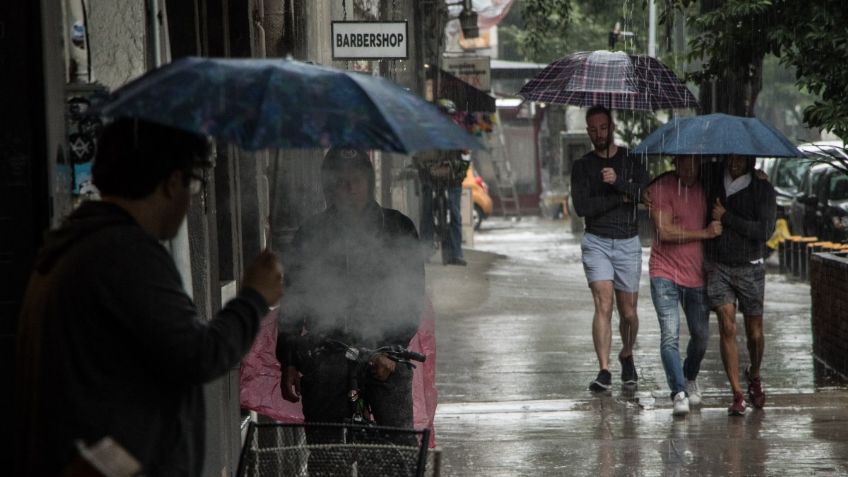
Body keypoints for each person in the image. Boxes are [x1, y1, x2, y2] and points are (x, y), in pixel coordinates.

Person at [14, 118, 284, 476]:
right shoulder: (124, 254)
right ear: (172, 183)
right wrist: (254, 297)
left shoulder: (82, 242)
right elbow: (198, 354)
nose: (191, 200)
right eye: (194, 183)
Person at [276, 148, 425, 429]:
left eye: (356, 179)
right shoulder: (310, 233)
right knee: (326, 451)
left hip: (387, 351)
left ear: (369, 181)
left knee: (396, 451)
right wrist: (289, 361)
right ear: (328, 186)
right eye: (340, 180)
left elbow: (412, 298)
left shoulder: (398, 227)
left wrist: (393, 353)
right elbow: (293, 302)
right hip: (327, 353)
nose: (349, 187)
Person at [571, 105, 649, 392]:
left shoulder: (631, 159)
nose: (598, 134)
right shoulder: (582, 166)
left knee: (628, 312)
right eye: (592, 129)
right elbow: (583, 207)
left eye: (603, 128)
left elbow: (645, 194)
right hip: (597, 241)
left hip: (628, 241)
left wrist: (619, 183)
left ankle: (626, 354)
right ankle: (604, 370)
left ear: (612, 127)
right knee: (604, 303)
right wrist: (619, 200)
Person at [646, 155, 722, 415]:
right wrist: (704, 233)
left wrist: (757, 176)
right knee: (669, 335)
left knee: (701, 337)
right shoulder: (661, 188)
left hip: (696, 275)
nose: (689, 169)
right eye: (684, 163)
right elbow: (664, 232)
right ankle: (678, 391)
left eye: (694, 164)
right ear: (675, 163)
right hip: (664, 272)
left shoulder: (706, 187)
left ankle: (690, 377)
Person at [704, 154, 777, 415]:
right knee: (727, 325)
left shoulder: (762, 189)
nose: (735, 162)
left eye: (741, 157)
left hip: (751, 266)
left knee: (755, 333)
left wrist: (726, 217)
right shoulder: (712, 177)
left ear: (750, 158)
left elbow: (765, 231)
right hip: (718, 265)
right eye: (731, 156)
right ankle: (736, 392)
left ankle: (754, 374)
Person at [415, 98, 470, 266]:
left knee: (454, 213)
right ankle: (425, 251)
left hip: (451, 178)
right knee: (427, 211)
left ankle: (456, 253)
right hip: (430, 176)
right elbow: (418, 154)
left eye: (448, 115)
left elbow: (466, 152)